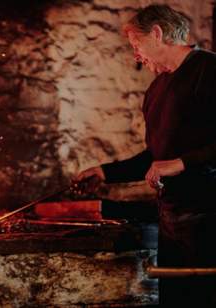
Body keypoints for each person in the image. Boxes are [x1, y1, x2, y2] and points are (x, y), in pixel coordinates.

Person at [76, 4, 216, 307]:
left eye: (137, 45)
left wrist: (181, 164)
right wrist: (105, 172)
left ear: (157, 33)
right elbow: (156, 157)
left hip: (209, 219)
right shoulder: (156, 89)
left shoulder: (208, 70)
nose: (136, 55)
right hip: (172, 222)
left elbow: (173, 161)